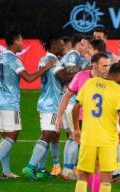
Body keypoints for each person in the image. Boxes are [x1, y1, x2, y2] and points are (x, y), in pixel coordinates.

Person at [63, 63, 120, 192]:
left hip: (88, 138)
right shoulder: (119, 90)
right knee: (106, 179)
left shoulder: (90, 83)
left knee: (82, 176)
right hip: (108, 140)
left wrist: (77, 129)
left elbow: (75, 107)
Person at [0, 30, 55, 178]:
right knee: (12, 136)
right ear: (15, 41)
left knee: (5, 137)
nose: (22, 43)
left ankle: (6, 171)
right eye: (21, 40)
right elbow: (29, 78)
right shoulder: (13, 59)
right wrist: (46, 68)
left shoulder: (0, 57)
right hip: (10, 103)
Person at [22, 35, 75, 179]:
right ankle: (30, 166)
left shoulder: (45, 59)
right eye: (60, 44)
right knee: (47, 135)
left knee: (52, 135)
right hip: (51, 104)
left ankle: (41, 170)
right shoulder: (51, 60)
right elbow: (63, 77)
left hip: (48, 102)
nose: (63, 46)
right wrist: (82, 70)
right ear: (53, 45)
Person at [50, 34, 89, 177]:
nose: (87, 49)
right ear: (81, 43)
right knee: (76, 137)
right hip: (72, 102)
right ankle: (68, 170)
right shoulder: (74, 54)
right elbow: (70, 71)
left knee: (72, 137)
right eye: (87, 45)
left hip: (68, 102)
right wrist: (84, 69)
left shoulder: (73, 55)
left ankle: (67, 169)